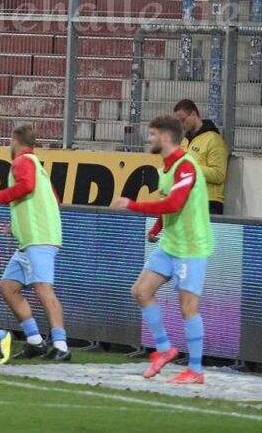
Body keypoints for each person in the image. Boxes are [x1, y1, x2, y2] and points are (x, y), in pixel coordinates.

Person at [111, 114, 214, 385]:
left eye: (153, 134)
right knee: (141, 291)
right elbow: (166, 203)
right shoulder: (166, 168)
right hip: (171, 243)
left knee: (188, 306)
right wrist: (157, 229)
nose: (149, 139)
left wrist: (133, 205)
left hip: (191, 246)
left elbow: (174, 204)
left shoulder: (185, 166)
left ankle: (195, 370)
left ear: (166, 137)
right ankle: (165, 349)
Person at [0, 123, 70, 361]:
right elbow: (53, 201)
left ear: (15, 141)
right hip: (29, 240)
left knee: (44, 289)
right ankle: (35, 341)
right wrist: (18, 225)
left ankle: (61, 345)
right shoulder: (37, 166)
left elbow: (26, 187)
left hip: (38, 239)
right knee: (8, 288)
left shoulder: (22, 162)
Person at [174, 98, 228, 216]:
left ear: (193, 114)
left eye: (183, 120)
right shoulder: (185, 141)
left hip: (208, 202)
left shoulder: (214, 140)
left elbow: (219, 174)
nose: (181, 125)